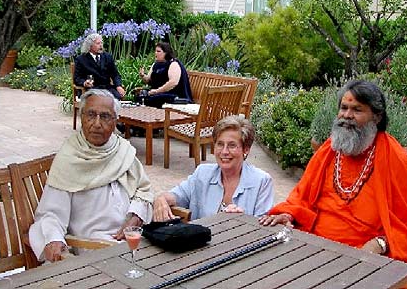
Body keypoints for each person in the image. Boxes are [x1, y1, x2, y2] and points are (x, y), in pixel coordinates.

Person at [259, 80, 407, 288]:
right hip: (314, 247)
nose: (347, 116)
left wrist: (380, 244)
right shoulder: (328, 151)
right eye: (344, 108)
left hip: (364, 259)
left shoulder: (398, 162)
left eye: (357, 110)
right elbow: (300, 198)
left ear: (376, 117)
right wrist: (289, 214)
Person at [29, 89, 153, 263]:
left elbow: (144, 189)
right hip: (95, 252)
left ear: (116, 121)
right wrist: (54, 239)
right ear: (81, 117)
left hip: (134, 242)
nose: (96, 123)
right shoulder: (69, 159)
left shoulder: (122, 150)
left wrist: (137, 215)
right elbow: (51, 214)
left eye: (105, 116)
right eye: (91, 115)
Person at [153, 115, 273, 221]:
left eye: (232, 145)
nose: (224, 152)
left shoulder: (261, 181)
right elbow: (177, 195)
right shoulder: (202, 173)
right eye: (220, 144)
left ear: (246, 149)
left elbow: (262, 229)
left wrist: (242, 221)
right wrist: (161, 199)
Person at [137, 42, 192, 108]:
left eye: (158, 51)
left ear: (166, 53)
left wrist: (157, 91)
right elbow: (148, 80)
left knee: (153, 99)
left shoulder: (173, 64)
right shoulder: (156, 64)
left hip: (173, 95)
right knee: (140, 96)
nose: (156, 53)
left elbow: (173, 82)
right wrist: (142, 75)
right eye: (155, 51)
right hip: (158, 93)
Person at [74, 33, 126, 100]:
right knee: (99, 99)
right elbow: (77, 78)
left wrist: (118, 86)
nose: (101, 45)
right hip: (91, 89)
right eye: (98, 43)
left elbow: (115, 74)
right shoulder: (81, 59)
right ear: (90, 46)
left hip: (107, 88)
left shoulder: (108, 57)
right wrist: (84, 83)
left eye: (101, 43)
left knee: (116, 97)